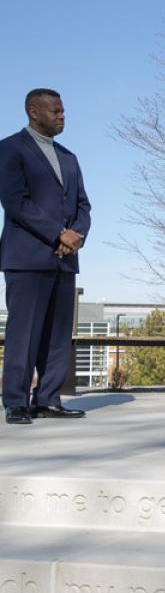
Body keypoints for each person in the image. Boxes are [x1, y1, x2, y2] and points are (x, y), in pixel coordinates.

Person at [0, 89, 90, 424]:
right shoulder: (10, 149)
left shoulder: (69, 157)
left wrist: (76, 236)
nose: (62, 116)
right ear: (33, 111)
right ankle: (16, 403)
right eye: (55, 111)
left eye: (63, 111)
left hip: (65, 260)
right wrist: (57, 233)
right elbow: (15, 201)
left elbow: (84, 205)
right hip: (26, 258)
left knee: (57, 335)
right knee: (23, 334)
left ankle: (49, 399)